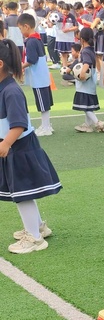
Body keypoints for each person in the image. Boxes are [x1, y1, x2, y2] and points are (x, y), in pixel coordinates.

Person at [0, 38, 62, 254]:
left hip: (19, 148)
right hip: (14, 148)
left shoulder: (10, 91)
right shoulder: (3, 88)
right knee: (22, 192)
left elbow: (18, 124)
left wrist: (6, 143)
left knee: (22, 193)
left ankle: (35, 238)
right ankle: (38, 227)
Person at [18, 13, 54, 137]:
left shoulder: (32, 41)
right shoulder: (37, 39)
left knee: (42, 103)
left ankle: (46, 127)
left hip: (38, 78)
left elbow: (31, 60)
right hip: (42, 77)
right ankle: (47, 125)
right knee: (45, 102)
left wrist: (20, 67)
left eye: (20, 28)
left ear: (26, 26)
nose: (21, 31)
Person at [72, 28, 104, 133]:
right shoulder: (91, 50)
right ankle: (87, 125)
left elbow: (87, 63)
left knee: (86, 107)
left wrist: (82, 73)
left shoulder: (85, 51)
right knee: (88, 106)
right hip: (91, 83)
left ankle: (97, 122)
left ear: (82, 39)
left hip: (85, 84)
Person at [56, 3, 77, 68]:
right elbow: (52, 23)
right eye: (64, 12)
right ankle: (65, 67)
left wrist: (68, 29)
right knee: (63, 53)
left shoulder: (72, 16)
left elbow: (76, 27)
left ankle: (74, 67)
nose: (65, 13)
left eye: (67, 12)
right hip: (61, 38)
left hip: (69, 38)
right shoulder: (58, 16)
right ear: (61, 10)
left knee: (73, 53)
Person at [45, 0, 61, 69]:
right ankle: (56, 62)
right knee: (51, 48)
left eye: (50, 4)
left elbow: (51, 23)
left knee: (51, 48)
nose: (48, 6)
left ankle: (56, 62)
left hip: (54, 33)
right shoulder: (50, 12)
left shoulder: (57, 12)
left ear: (54, 4)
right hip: (50, 32)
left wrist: (48, 21)